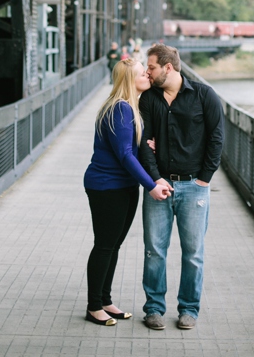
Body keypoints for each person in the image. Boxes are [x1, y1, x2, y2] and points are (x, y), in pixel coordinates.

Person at [137, 44, 223, 331]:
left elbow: (216, 138)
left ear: (168, 67)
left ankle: (188, 309)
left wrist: (204, 179)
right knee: (154, 251)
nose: (147, 73)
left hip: (194, 187)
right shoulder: (149, 99)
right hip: (158, 187)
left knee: (193, 253)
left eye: (151, 68)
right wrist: (154, 178)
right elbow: (143, 142)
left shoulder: (204, 95)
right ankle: (154, 309)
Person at [82, 59, 172, 327]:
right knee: (105, 245)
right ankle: (93, 306)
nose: (147, 74)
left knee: (113, 245)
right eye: (142, 72)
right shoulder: (120, 109)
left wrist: (146, 144)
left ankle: (105, 300)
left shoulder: (130, 108)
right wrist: (152, 185)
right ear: (130, 80)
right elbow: (123, 155)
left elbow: (130, 148)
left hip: (123, 186)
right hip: (107, 186)